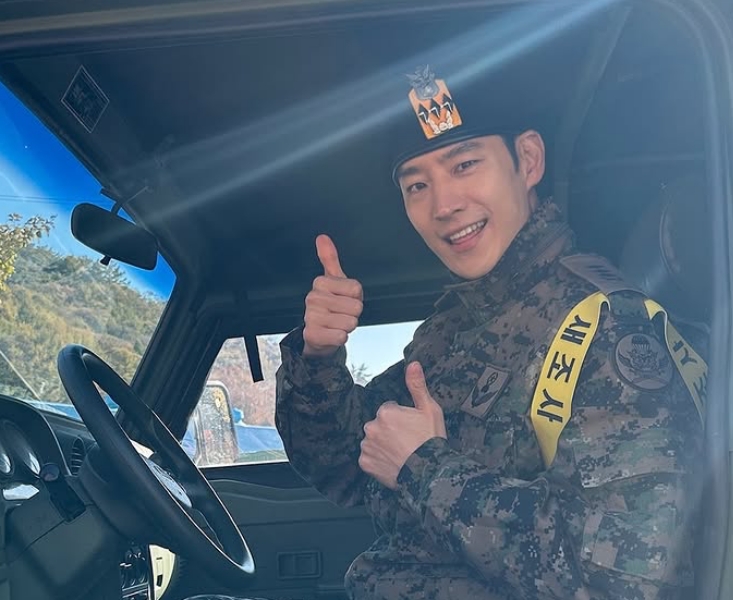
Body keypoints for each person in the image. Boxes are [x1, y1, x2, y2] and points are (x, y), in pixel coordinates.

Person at [191, 64, 705, 600]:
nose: (443, 205)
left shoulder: (608, 327)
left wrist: (425, 469)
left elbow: (628, 577)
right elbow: (342, 466)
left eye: (464, 164)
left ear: (528, 160)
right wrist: (317, 358)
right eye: (417, 185)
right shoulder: (451, 329)